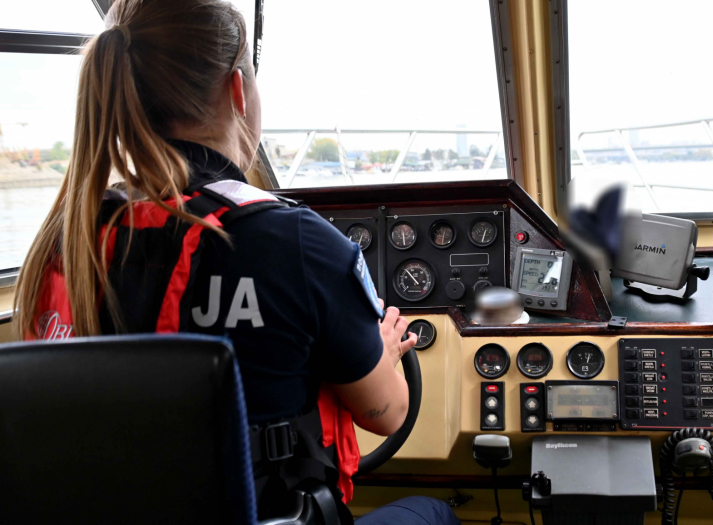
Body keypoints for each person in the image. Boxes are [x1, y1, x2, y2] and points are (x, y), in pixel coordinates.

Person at [12, 1, 458, 524]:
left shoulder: (65, 242)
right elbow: (388, 414)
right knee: (433, 511)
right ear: (238, 90)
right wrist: (380, 352)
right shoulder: (294, 242)